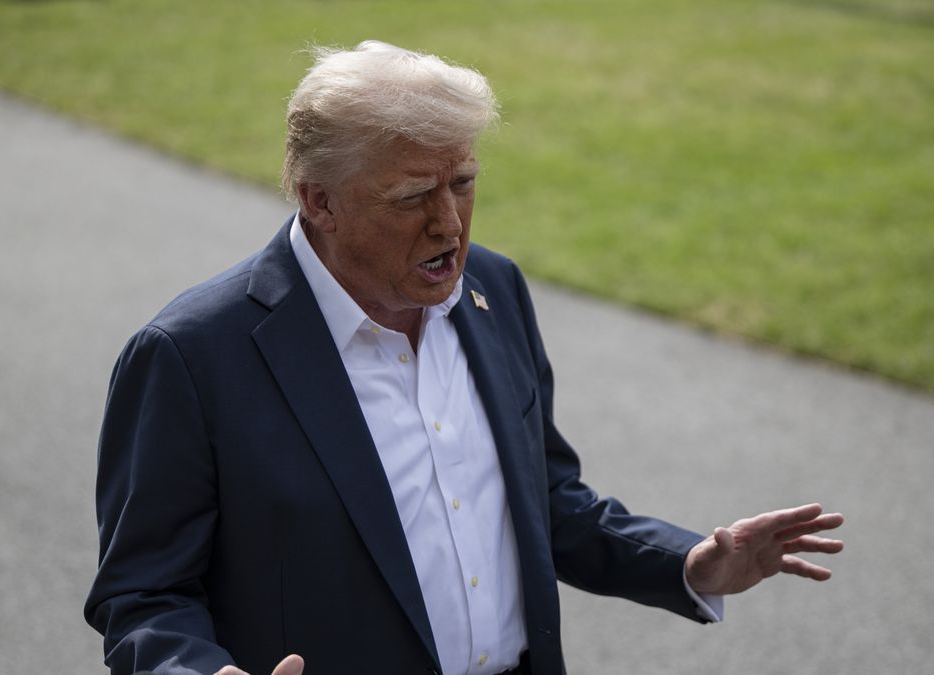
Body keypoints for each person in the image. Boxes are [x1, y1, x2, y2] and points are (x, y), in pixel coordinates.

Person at [84, 40, 844, 675]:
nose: (449, 222)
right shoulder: (190, 357)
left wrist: (687, 563)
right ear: (320, 201)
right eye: (414, 194)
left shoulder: (494, 289)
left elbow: (543, 499)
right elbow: (143, 596)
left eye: (465, 182)